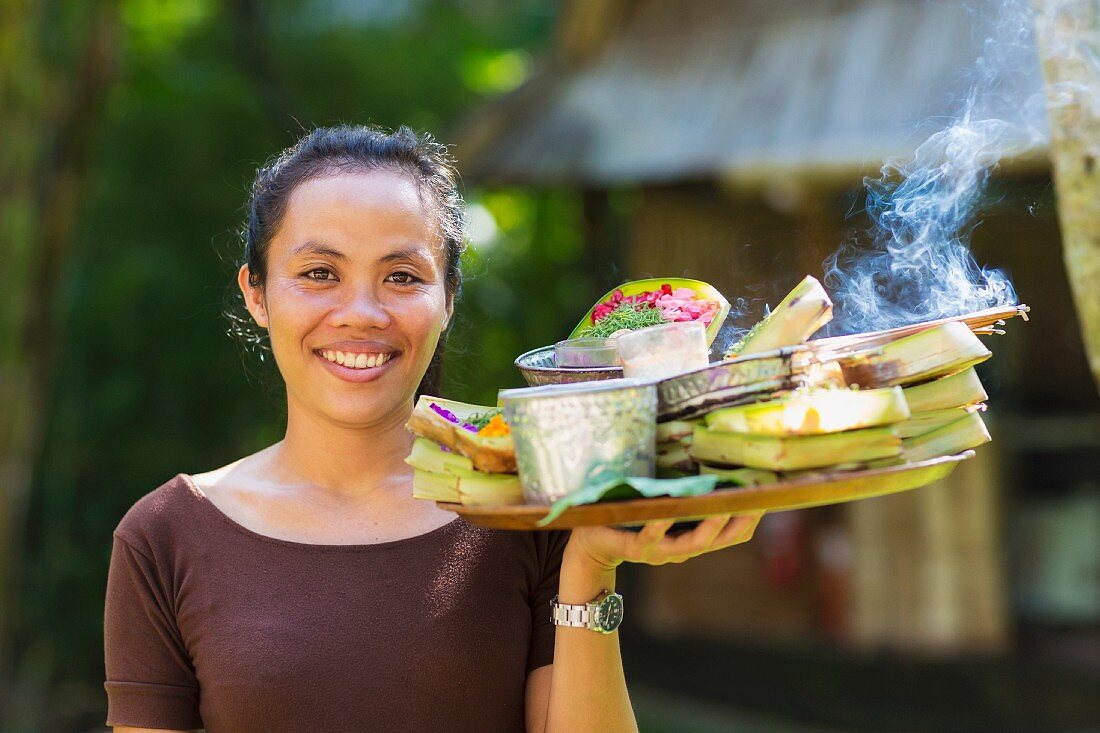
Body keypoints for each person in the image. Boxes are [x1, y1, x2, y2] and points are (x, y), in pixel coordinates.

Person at [103, 125, 763, 733]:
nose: (360, 312)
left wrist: (591, 559)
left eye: (400, 276)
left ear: (447, 298)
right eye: (319, 274)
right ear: (256, 291)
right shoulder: (162, 539)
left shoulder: (529, 506)